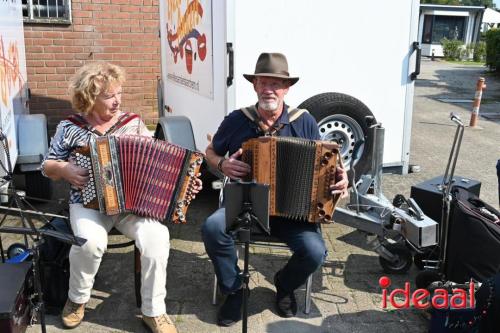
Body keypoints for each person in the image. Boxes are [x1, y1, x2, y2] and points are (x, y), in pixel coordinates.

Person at [42, 62, 201, 333]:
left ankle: (154, 311)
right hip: (87, 203)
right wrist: (65, 169)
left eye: (119, 93)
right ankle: (76, 299)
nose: (117, 101)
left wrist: (185, 184)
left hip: (131, 206)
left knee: (157, 237)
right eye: (109, 96)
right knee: (90, 242)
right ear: (90, 98)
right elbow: (47, 165)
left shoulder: (133, 123)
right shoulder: (70, 127)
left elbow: (155, 164)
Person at [201, 52, 349, 326]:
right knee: (212, 227)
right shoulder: (237, 119)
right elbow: (210, 152)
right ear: (255, 85)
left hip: (293, 213)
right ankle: (234, 289)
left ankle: (285, 284)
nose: (269, 89)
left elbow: (329, 163)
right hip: (246, 205)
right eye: (263, 83)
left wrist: (343, 180)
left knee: (315, 252)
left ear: (287, 88)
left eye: (276, 84)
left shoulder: (304, 121)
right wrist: (222, 164)